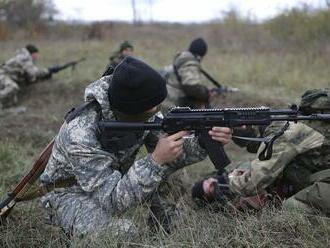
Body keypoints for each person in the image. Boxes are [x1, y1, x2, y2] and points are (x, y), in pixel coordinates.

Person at [39, 56, 232, 237]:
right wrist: (154, 161)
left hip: (110, 182)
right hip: (69, 193)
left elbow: (170, 150)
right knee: (122, 234)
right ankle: (62, 225)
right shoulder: (81, 133)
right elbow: (111, 199)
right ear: (131, 110)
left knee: (170, 170)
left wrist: (203, 143)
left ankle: (164, 229)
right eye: (152, 108)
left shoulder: (143, 110)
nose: (157, 112)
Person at [192, 89, 330, 216]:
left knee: (291, 208)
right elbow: (261, 144)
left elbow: (253, 181)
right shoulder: (297, 121)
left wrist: (226, 185)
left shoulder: (287, 133)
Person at [161, 37, 211, 111]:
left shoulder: (182, 59)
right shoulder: (189, 62)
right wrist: (206, 94)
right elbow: (191, 86)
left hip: (168, 102)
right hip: (173, 105)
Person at [0, 44, 50, 109]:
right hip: (3, 75)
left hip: (8, 77)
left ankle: (5, 109)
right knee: (13, 87)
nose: (38, 56)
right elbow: (33, 72)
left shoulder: (24, 57)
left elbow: (30, 76)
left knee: (13, 100)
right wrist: (48, 70)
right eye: (36, 54)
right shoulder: (25, 58)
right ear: (33, 53)